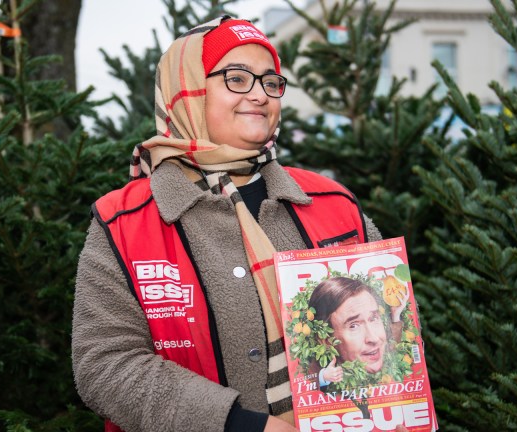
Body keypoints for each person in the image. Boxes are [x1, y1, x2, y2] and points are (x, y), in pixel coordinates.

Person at [72, 16, 382, 432]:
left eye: (270, 82)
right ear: (188, 92)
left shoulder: (333, 204)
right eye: (236, 78)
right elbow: (106, 365)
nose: (259, 94)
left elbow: (395, 336)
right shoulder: (123, 223)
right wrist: (241, 425)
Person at [308, 276, 408, 387]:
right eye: (354, 325)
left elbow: (391, 348)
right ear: (327, 341)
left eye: (373, 318)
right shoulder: (317, 379)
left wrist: (396, 315)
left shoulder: (390, 363)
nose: (373, 338)